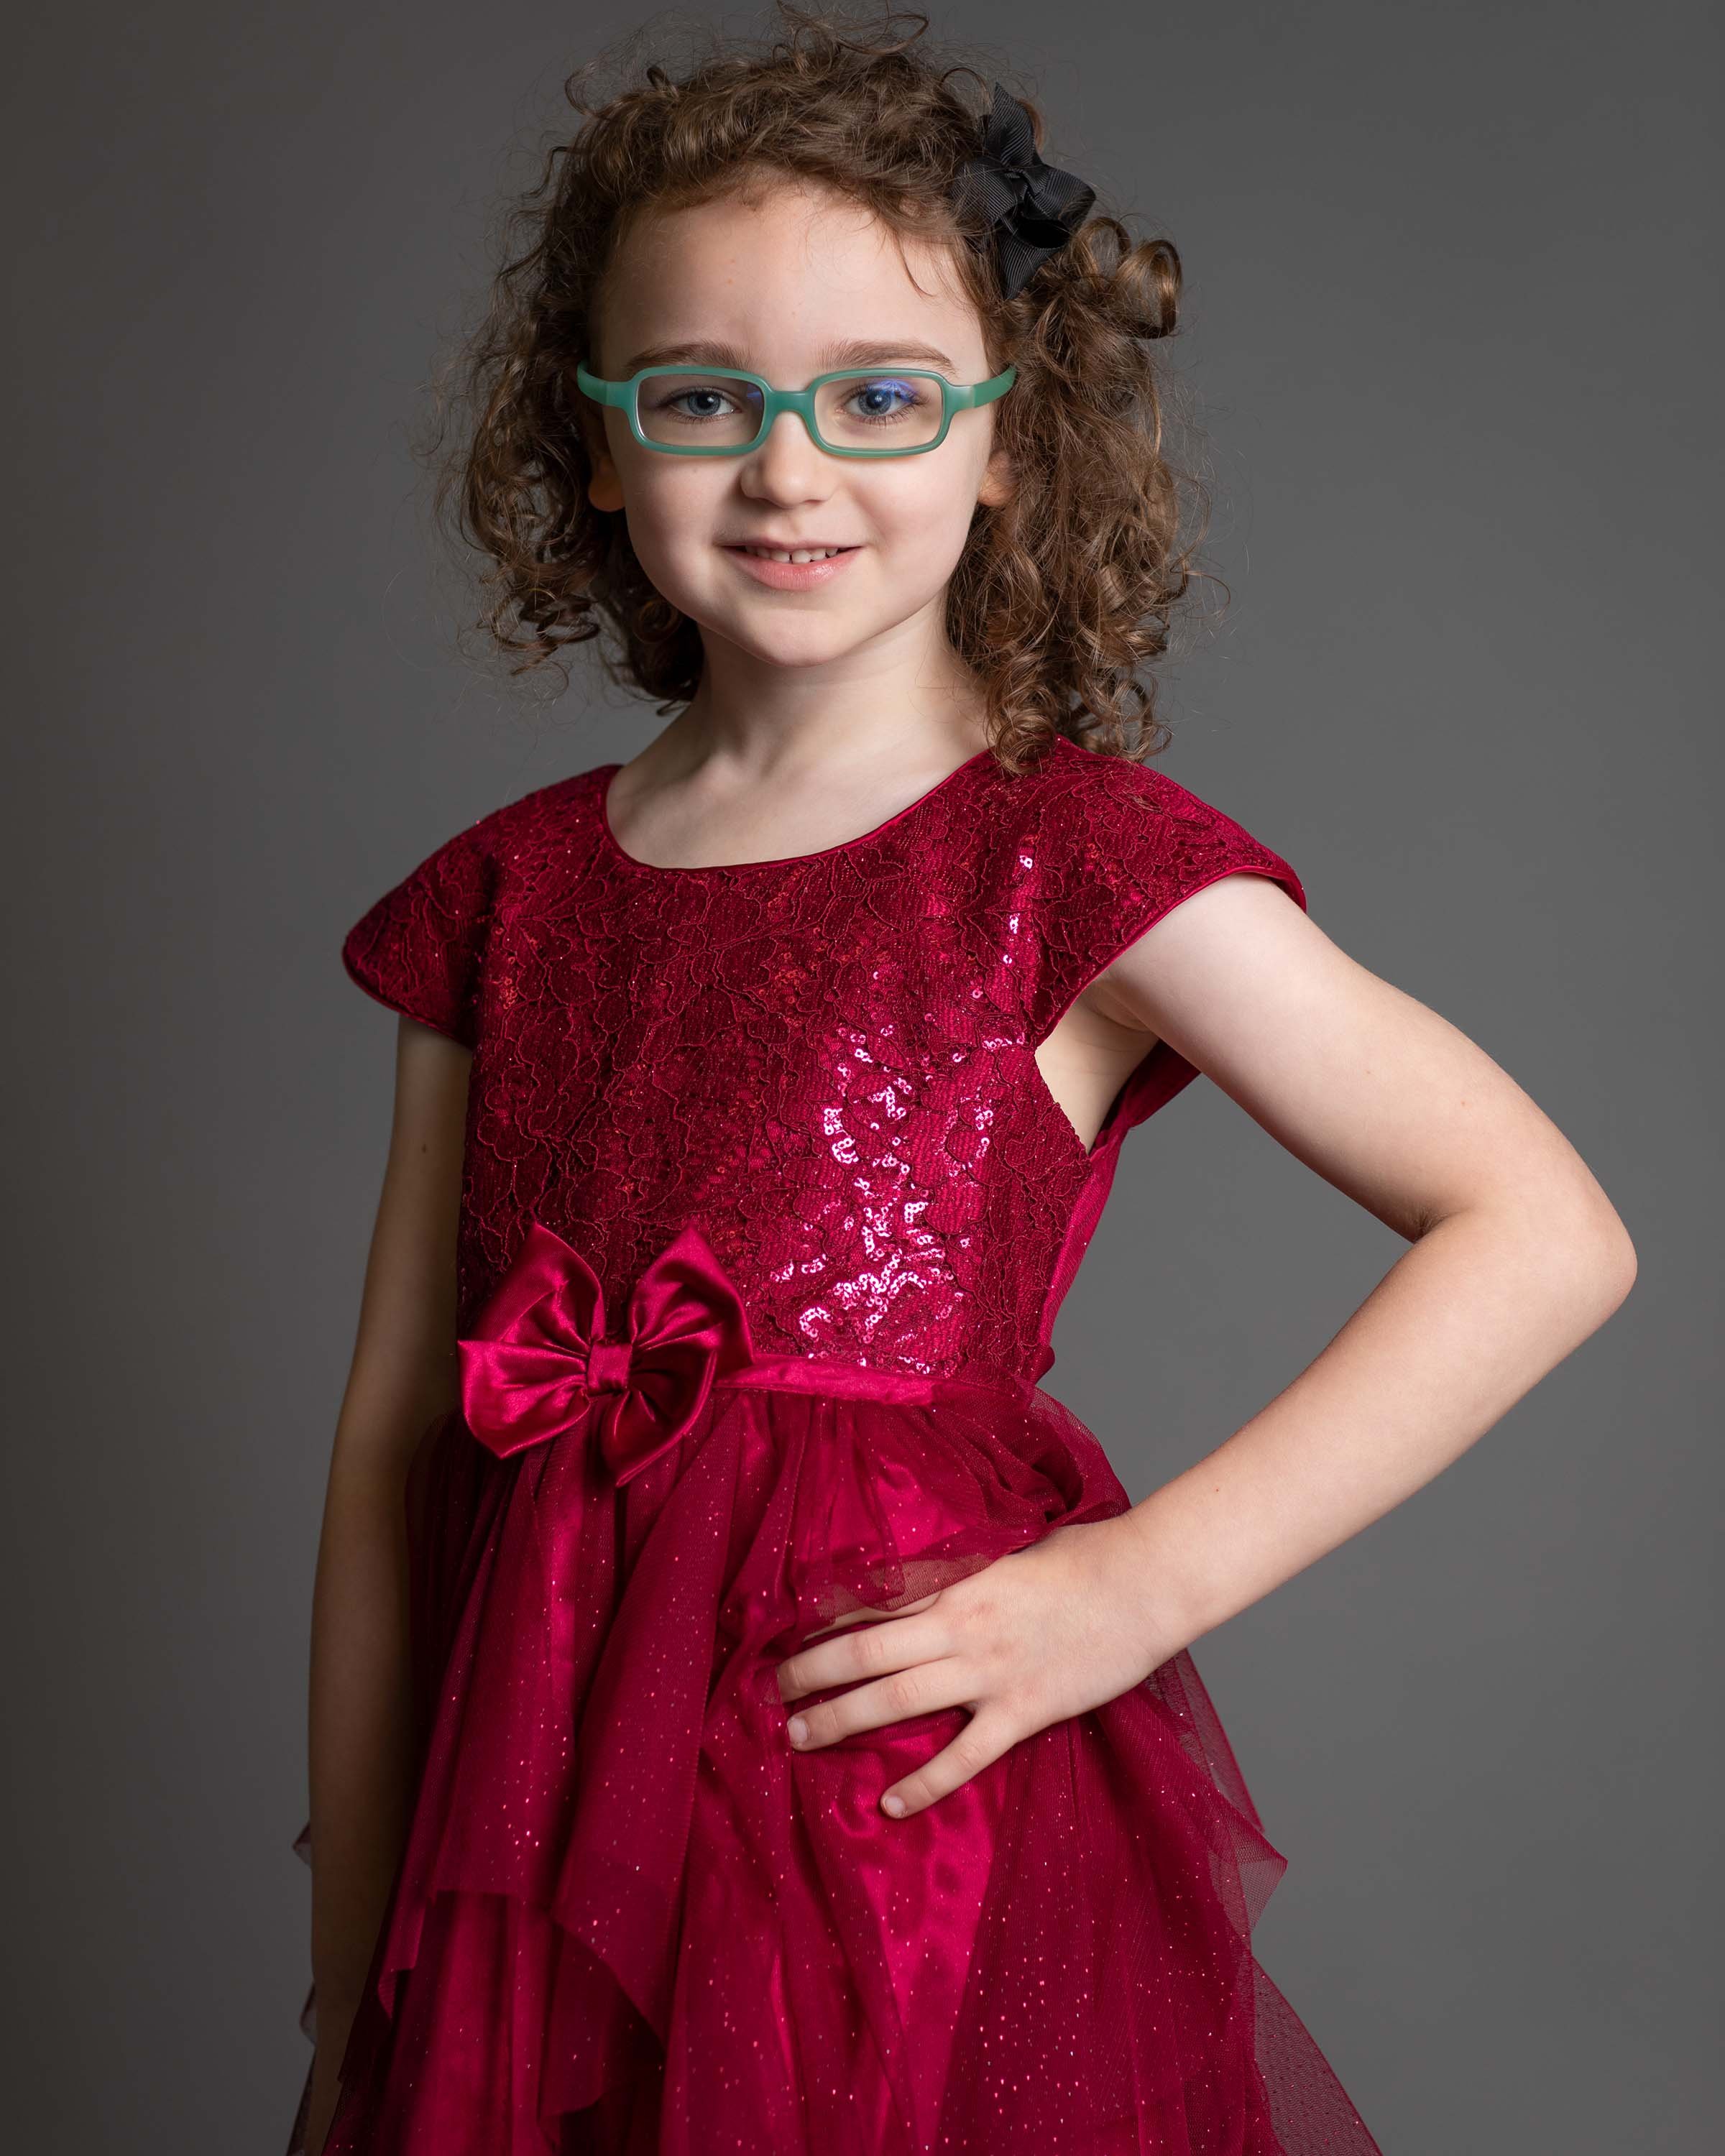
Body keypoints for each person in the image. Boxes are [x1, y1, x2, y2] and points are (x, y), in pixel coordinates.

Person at [287, 11, 1636, 2152]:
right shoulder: (505, 898)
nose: (790, 468)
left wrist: (1138, 1587)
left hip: (898, 1858)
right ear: (600, 433)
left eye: (882, 398)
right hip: (532, 1856)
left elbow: (1545, 1229)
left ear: (1010, 440)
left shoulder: (1063, 855)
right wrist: (370, 1938)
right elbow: (390, 1449)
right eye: (706, 396)